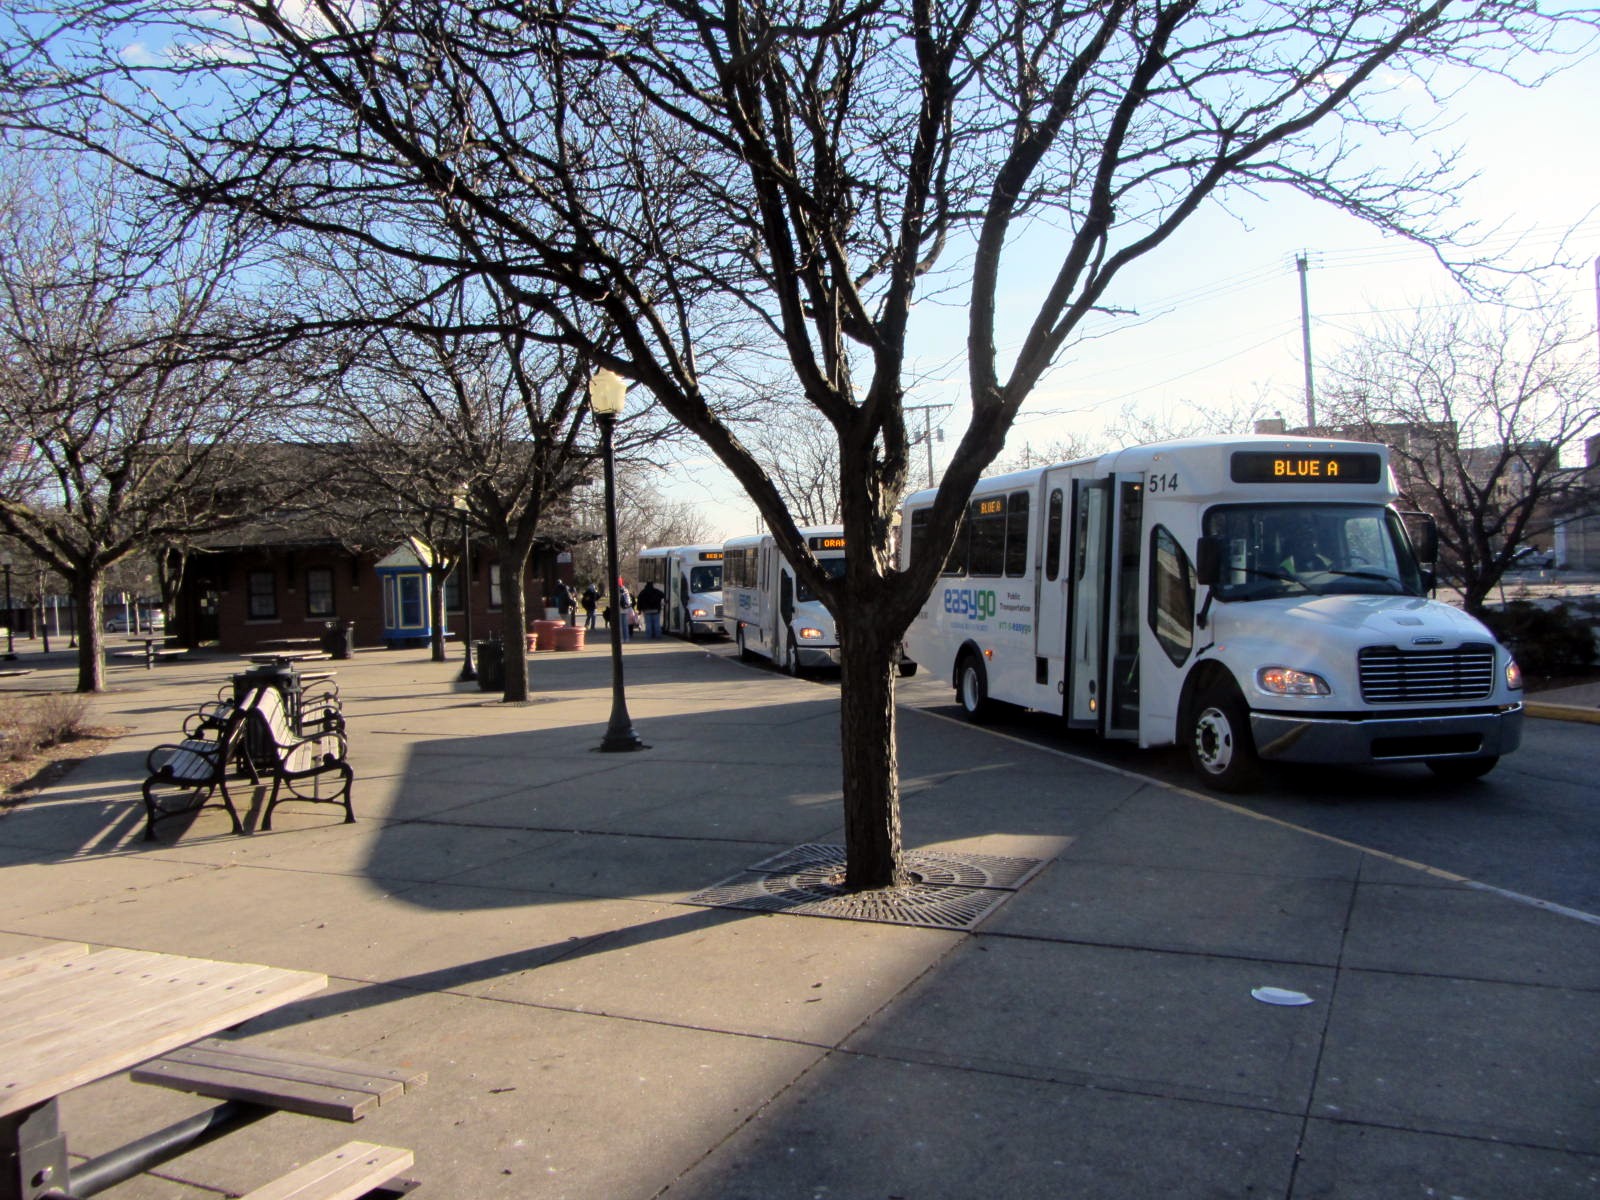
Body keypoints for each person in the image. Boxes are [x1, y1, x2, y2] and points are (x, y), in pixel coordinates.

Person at [616, 577, 635, 642]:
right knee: (625, 625)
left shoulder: (616, 590)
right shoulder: (625, 590)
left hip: (619, 609)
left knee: (620, 626)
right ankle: (626, 638)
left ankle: (621, 639)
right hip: (625, 609)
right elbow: (629, 601)